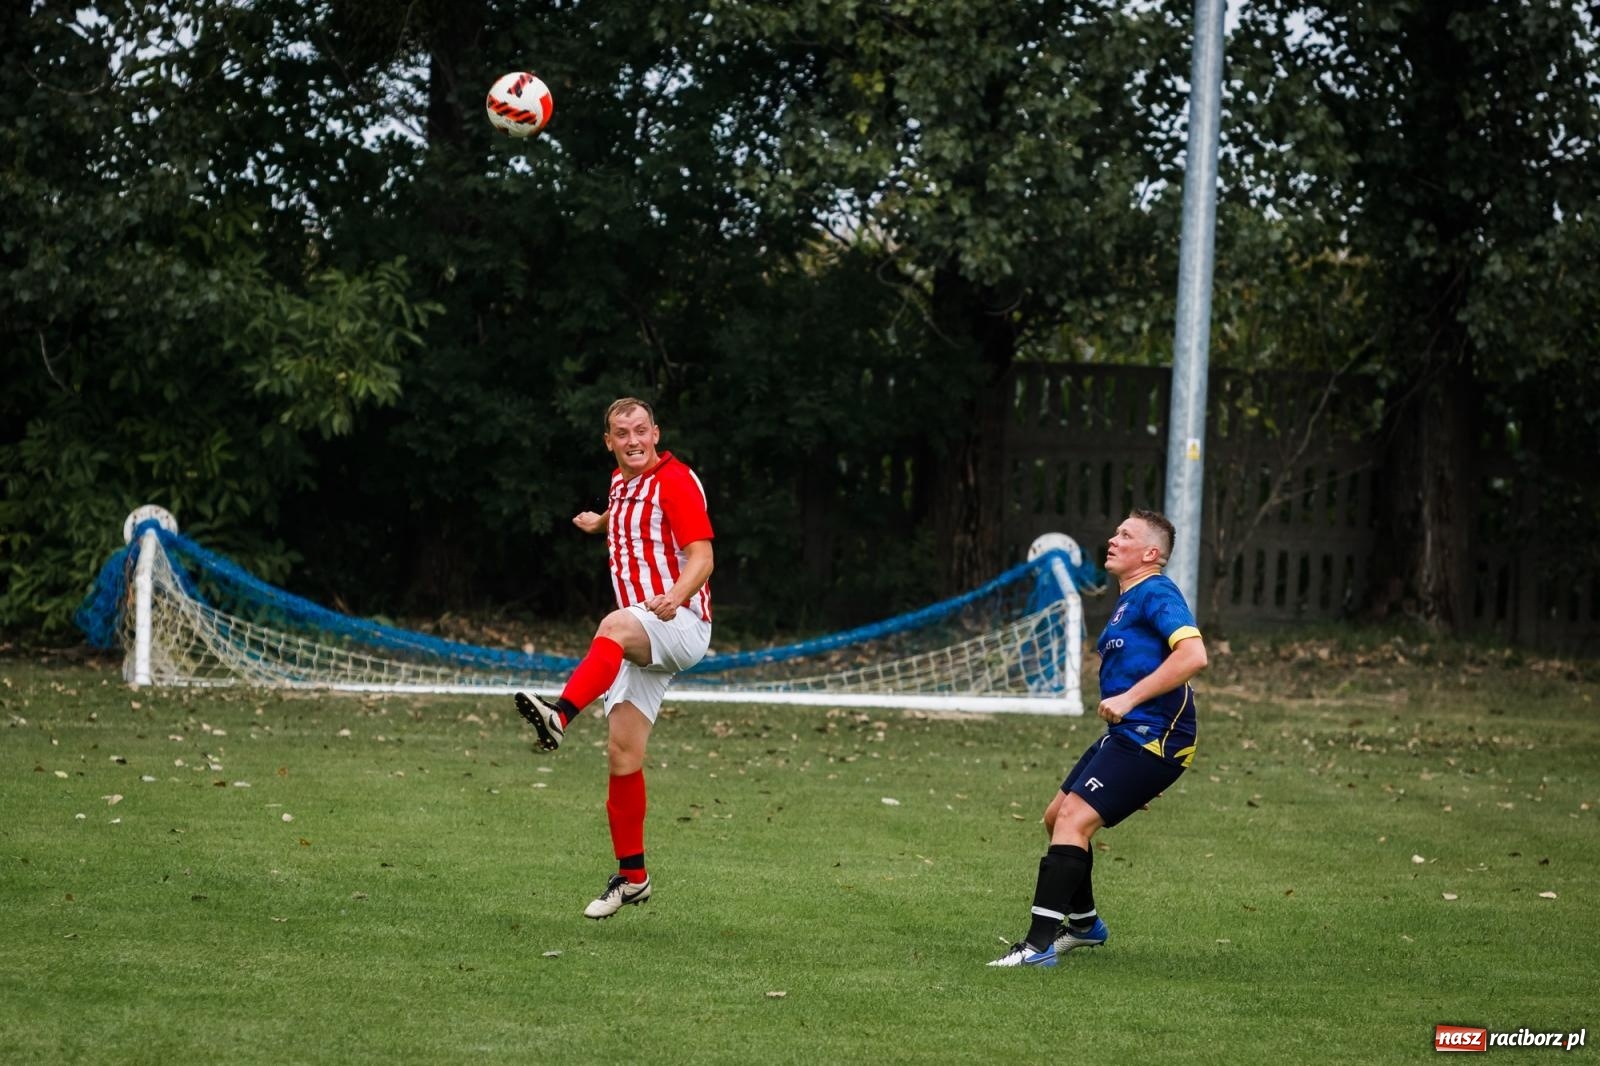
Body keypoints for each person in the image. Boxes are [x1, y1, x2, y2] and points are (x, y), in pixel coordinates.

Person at [516, 397, 714, 920]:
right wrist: (600, 522)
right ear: (610, 442)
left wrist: (675, 595)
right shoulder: (620, 482)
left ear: (656, 433)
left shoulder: (675, 479)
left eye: (641, 431)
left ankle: (558, 715)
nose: (633, 440)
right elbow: (631, 513)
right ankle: (633, 877)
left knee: (612, 624)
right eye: (622, 433)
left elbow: (702, 555)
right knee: (623, 753)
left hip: (679, 622)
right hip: (644, 634)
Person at [988, 508, 1207, 966]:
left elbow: (1193, 655)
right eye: (1115, 532)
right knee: (1056, 818)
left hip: (1155, 735)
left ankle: (1037, 946)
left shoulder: (1157, 592)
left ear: (1151, 553)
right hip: (1129, 735)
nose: (1113, 539)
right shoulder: (1129, 600)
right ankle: (1086, 925)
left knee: (1074, 820)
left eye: (1125, 535)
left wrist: (1129, 700)